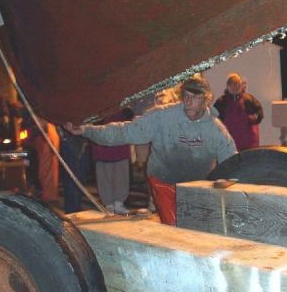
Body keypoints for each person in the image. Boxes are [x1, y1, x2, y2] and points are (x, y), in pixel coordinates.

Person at [65, 75, 237, 225]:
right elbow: (126, 131)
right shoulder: (163, 117)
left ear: (206, 100)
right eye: (186, 95)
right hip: (163, 186)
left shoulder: (216, 130)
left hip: (197, 192)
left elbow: (232, 164)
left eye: (195, 97)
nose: (188, 101)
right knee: (165, 230)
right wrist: (87, 130)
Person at [91, 108, 134, 215]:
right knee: (104, 174)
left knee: (121, 173)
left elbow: (130, 115)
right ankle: (108, 204)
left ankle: (119, 203)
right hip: (102, 140)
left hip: (120, 140)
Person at [214, 73, 264, 150]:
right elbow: (213, 118)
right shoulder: (221, 102)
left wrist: (253, 118)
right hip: (227, 144)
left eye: (237, 84)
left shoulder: (249, 99)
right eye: (232, 84)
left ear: (241, 85)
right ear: (228, 85)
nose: (235, 86)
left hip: (248, 143)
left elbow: (259, 112)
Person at [58, 126, 90, 213]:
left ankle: (77, 205)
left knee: (81, 176)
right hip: (67, 138)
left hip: (82, 138)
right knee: (70, 177)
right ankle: (71, 208)